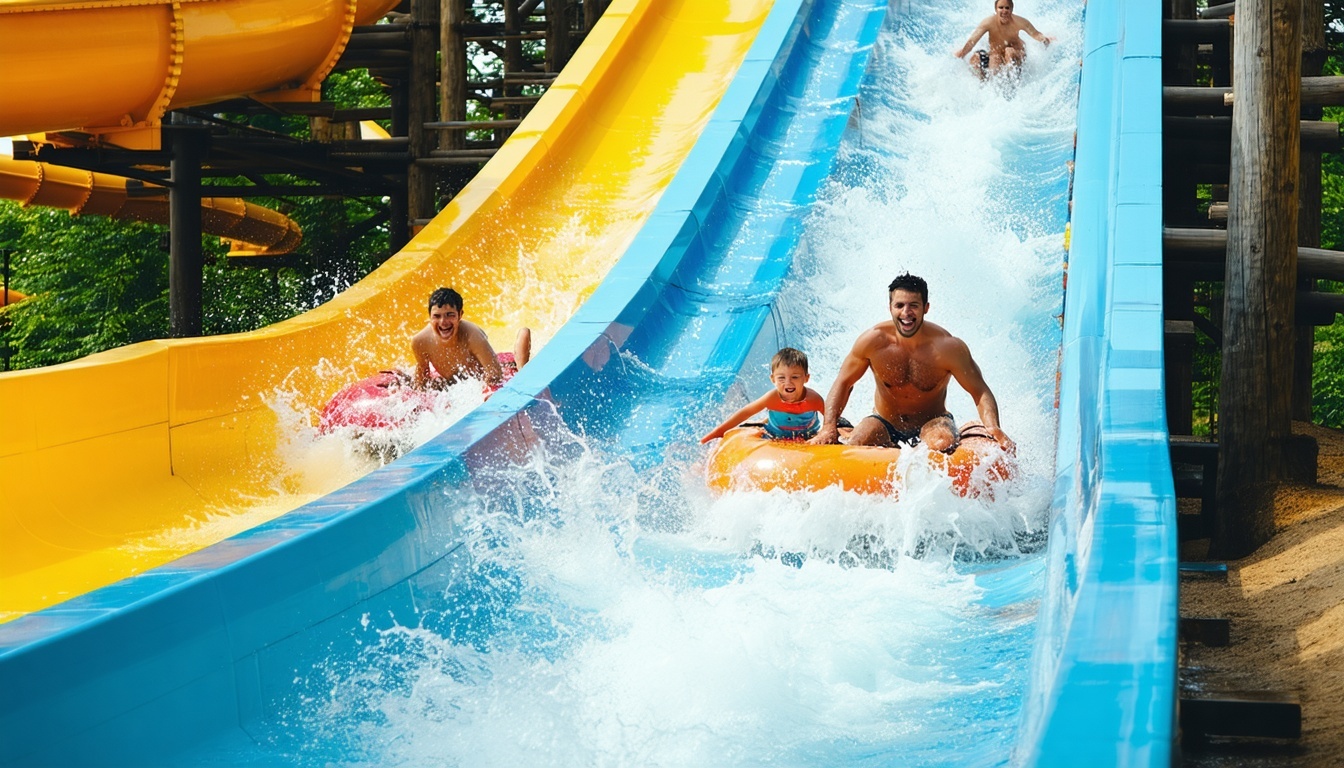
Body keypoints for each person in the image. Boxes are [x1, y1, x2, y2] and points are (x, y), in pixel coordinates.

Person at [807, 273, 1013, 453]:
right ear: (890, 307)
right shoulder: (873, 341)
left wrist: (993, 427)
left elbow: (980, 391)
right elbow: (844, 382)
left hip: (933, 423)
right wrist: (828, 427)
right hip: (884, 422)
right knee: (857, 443)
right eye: (899, 305)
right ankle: (847, 429)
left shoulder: (948, 347)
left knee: (941, 442)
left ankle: (969, 431)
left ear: (926, 308)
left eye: (914, 305)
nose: (906, 313)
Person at [410, 287, 531, 390]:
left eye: (450, 315)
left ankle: (521, 365)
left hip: (490, 373)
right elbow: (422, 376)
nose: (443, 322)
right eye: (436, 316)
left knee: (524, 337)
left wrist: (486, 392)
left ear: (460, 315)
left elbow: (495, 374)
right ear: (429, 317)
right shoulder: (420, 341)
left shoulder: (473, 335)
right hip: (454, 384)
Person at [701, 347, 827, 443]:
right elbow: (746, 412)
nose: (788, 382)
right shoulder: (772, 398)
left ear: (806, 378)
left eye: (795, 377)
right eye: (781, 378)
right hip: (774, 435)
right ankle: (761, 423)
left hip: (809, 436)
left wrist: (839, 432)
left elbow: (832, 418)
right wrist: (719, 432)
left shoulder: (813, 399)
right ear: (773, 379)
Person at [954, 0, 1054, 80]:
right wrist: (962, 53)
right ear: (996, 9)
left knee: (1008, 51)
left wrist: (1045, 39)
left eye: (1007, 8)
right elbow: (972, 41)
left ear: (1011, 9)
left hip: (1016, 56)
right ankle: (983, 84)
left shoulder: (1019, 22)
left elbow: (1035, 34)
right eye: (1001, 8)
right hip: (997, 57)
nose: (1004, 11)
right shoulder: (988, 22)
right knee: (977, 58)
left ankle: (1013, 83)